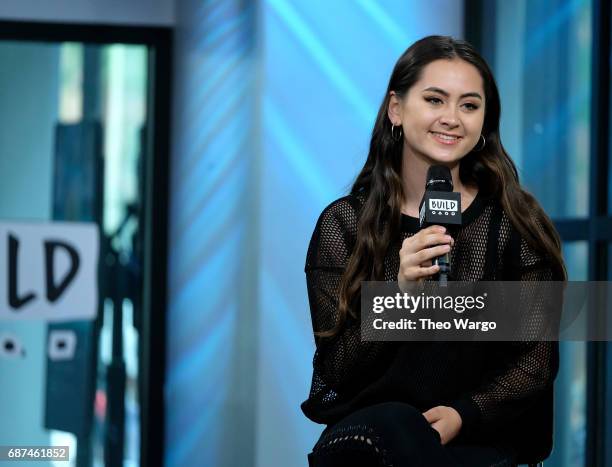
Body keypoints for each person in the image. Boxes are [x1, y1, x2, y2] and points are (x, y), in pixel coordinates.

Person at [302, 35, 566, 467]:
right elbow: (337, 370)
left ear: (484, 120)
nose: (452, 118)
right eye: (435, 99)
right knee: (395, 428)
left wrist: (464, 414)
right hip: (371, 439)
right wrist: (398, 295)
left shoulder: (517, 224)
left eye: (469, 105)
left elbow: (535, 363)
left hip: (477, 438)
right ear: (396, 110)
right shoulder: (344, 224)